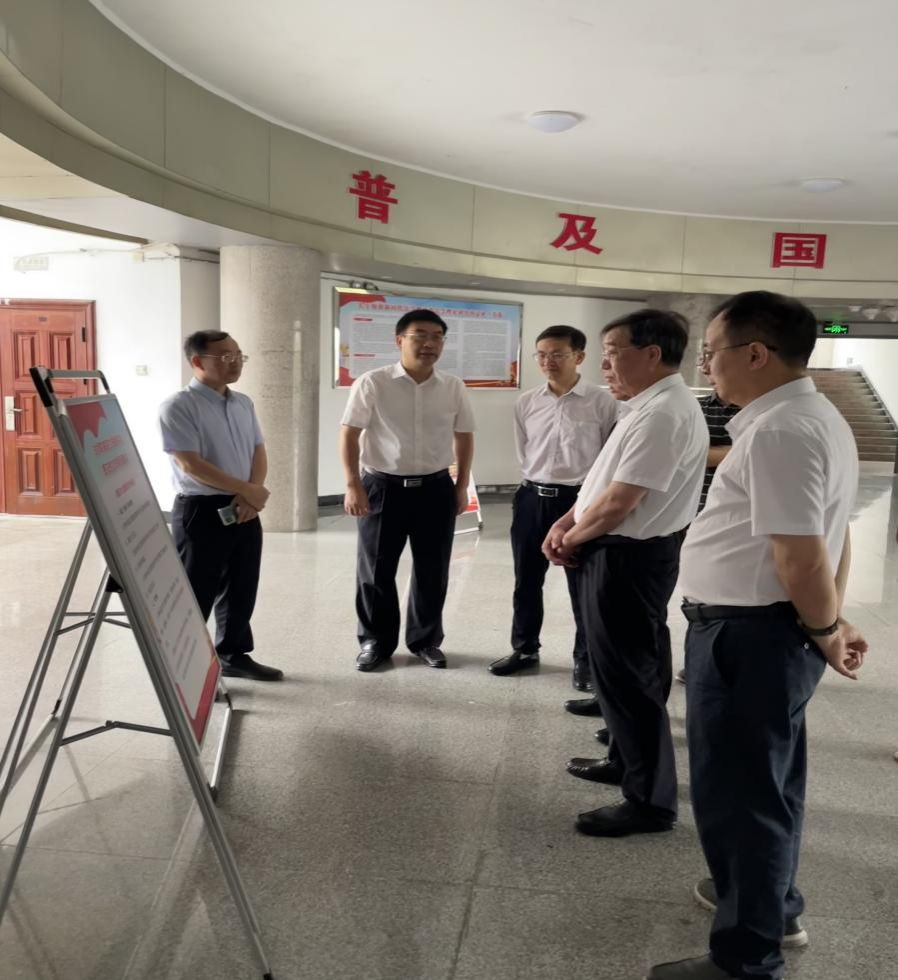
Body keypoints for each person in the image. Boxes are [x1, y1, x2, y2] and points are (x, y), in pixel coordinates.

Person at [646, 291, 866, 980]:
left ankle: (746, 956)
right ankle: (772, 900)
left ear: (756, 354)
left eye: (712, 352)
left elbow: (801, 555)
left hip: (749, 638)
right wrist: (829, 620)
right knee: (770, 782)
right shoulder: (814, 418)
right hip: (772, 631)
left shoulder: (779, 432)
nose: (705, 366)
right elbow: (837, 534)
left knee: (740, 796)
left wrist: (825, 625)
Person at [543, 309, 708, 837]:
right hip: (619, 550)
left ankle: (650, 802)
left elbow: (620, 502)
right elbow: (603, 482)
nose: (604, 364)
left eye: (613, 352)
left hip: (627, 557)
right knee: (631, 666)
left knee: (628, 675)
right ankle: (624, 758)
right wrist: (567, 521)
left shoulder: (664, 413)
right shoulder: (646, 406)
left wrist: (569, 539)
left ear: (652, 354)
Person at [340, 309, 476, 671]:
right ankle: (375, 642)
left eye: (437, 337)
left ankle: (426, 640)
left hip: (435, 488)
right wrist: (353, 484)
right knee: (375, 570)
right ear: (400, 340)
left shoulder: (453, 386)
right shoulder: (373, 382)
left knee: (434, 569)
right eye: (420, 335)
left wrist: (461, 485)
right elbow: (349, 434)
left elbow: (464, 436)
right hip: (382, 486)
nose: (429, 343)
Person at [488, 324, 616, 690]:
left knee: (583, 585)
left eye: (558, 354)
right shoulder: (527, 401)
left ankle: (585, 660)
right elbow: (524, 450)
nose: (548, 361)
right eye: (542, 355)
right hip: (531, 498)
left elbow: (609, 458)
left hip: (579, 502)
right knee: (527, 580)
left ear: (579, 356)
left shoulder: (603, 403)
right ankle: (525, 649)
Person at [159, 330, 283, 681]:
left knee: (242, 584)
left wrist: (250, 494)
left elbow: (258, 450)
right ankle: (188, 671)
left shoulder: (243, 402)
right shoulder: (178, 406)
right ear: (197, 361)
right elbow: (190, 464)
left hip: (243, 506)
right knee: (196, 592)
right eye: (226, 357)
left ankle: (233, 655)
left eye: (239, 355)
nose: (236, 362)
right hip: (201, 510)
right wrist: (247, 490)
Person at [675, 391, 739, 685]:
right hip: (691, 513)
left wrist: (702, 452)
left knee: (726, 597)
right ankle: (696, 662)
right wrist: (731, 451)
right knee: (694, 596)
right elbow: (678, 452)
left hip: (732, 519)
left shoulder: (755, 409)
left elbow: (758, 453)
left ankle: (719, 663)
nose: (706, 369)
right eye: (704, 366)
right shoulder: (696, 407)